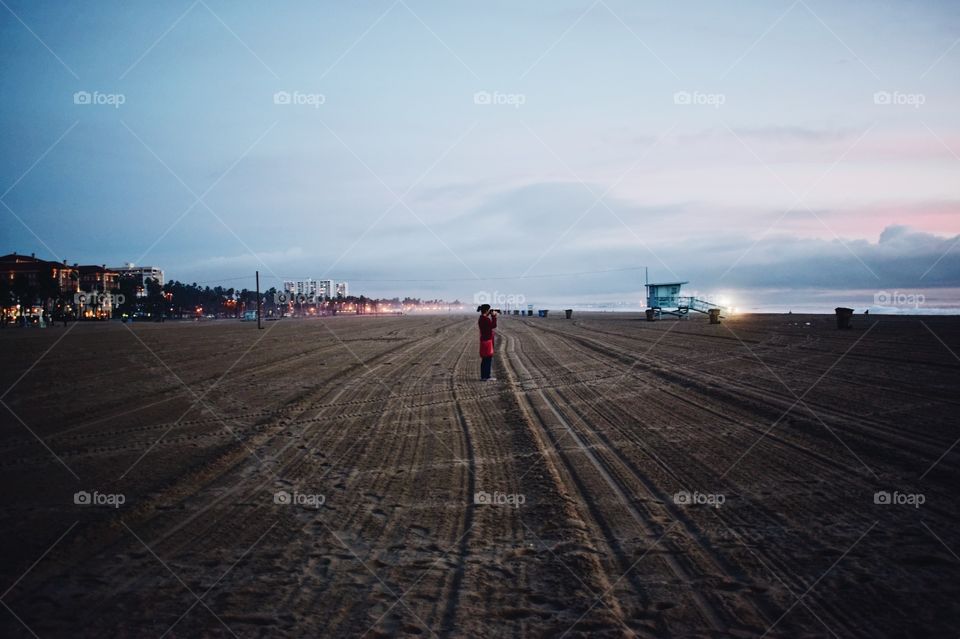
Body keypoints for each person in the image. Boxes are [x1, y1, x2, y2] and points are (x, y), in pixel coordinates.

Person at [477, 304, 498, 381]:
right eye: (489, 310)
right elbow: (493, 325)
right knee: (488, 359)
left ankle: (483, 376)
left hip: (483, 340)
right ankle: (487, 376)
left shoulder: (481, 318)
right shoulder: (485, 319)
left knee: (484, 359)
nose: (490, 311)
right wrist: (494, 316)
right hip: (487, 341)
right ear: (486, 310)